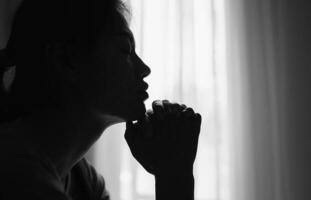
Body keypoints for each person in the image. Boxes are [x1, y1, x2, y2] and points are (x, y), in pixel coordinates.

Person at [0, 0, 202, 199]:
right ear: (66, 60)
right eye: (125, 50)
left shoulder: (84, 181)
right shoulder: (15, 168)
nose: (144, 69)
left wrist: (172, 169)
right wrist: (174, 173)